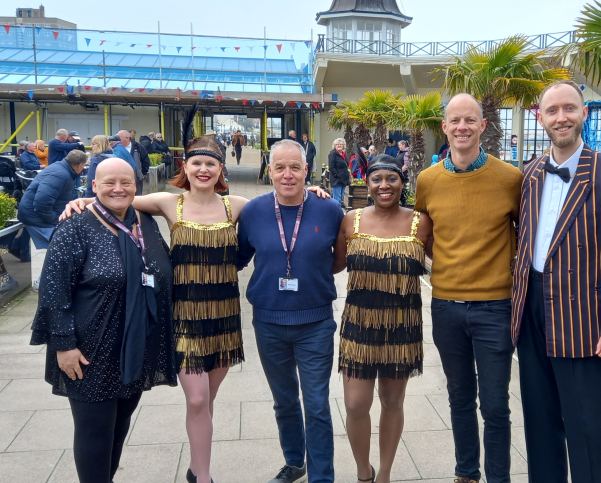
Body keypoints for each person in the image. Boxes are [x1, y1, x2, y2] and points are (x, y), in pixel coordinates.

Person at [62, 137, 247, 483]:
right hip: (184, 317)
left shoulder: (236, 206)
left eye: (211, 164)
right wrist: (82, 201)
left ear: (221, 169)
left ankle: (195, 468)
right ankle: (204, 478)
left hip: (224, 318)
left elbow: (281, 206)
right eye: (196, 163)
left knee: (208, 401)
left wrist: (314, 190)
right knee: (196, 399)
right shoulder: (167, 202)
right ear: (185, 168)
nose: (203, 170)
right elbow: (119, 198)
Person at [511, 80, 601, 483]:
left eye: (569, 108)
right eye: (552, 111)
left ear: (584, 113)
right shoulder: (530, 172)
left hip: (584, 319)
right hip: (533, 311)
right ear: (541, 118)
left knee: (591, 429)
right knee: (540, 423)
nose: (561, 117)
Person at [30, 158, 176, 483]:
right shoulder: (76, 225)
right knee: (95, 433)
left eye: (125, 182)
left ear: (136, 186)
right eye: (108, 182)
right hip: (89, 352)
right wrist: (63, 345)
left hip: (135, 346)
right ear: (93, 186)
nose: (118, 189)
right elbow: (54, 291)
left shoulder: (145, 222)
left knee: (119, 426)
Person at [414, 93, 522, 483]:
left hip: (495, 307)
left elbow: (524, 236)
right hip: (445, 306)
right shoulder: (428, 181)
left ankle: (498, 478)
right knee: (459, 398)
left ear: (483, 126)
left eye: (469, 120)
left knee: (495, 405)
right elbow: (424, 235)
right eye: (454, 120)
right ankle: (466, 473)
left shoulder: (510, 179)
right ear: (444, 127)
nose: (462, 127)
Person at [237, 140, 345, 483]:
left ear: (306, 171)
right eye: (280, 168)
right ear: (269, 171)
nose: (288, 175)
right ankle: (295, 462)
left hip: (315, 322)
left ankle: (322, 476)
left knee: (316, 405)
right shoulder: (253, 211)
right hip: (268, 323)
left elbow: (339, 259)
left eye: (295, 168)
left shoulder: (329, 209)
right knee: (284, 402)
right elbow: (238, 258)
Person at [332, 154, 433, 483]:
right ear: (367, 183)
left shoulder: (421, 221)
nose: (384, 185)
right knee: (356, 404)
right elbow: (332, 264)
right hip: (358, 328)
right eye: (377, 179)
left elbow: (448, 258)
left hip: (402, 329)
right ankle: (364, 472)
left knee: (392, 401)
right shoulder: (351, 220)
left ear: (402, 182)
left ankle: (384, 474)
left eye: (392, 178)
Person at [18, 150, 88, 252]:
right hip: (37, 217)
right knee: (64, 249)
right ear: (79, 165)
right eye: (84, 166)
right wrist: (56, 219)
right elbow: (41, 203)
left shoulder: (61, 168)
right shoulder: (60, 175)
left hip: (35, 214)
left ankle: (17, 248)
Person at [117, 130, 150, 196]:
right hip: (122, 179)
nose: (117, 139)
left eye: (119, 137)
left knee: (137, 198)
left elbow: (145, 160)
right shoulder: (117, 148)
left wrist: (142, 173)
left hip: (137, 179)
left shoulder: (139, 147)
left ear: (127, 138)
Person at [329, 138, 350, 205]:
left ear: (343, 146)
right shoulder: (333, 154)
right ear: (335, 146)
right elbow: (331, 167)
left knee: (340, 199)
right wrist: (337, 175)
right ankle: (336, 214)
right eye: (337, 144)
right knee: (337, 200)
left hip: (343, 180)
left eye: (341, 144)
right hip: (336, 180)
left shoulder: (344, 154)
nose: (339, 145)